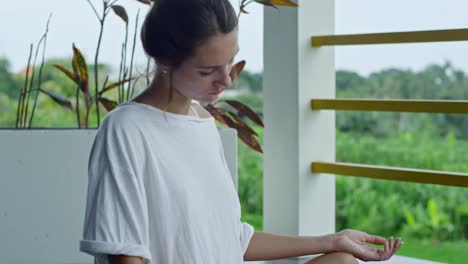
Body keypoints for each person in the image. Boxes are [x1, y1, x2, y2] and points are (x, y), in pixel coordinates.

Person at [79, 0, 402, 263]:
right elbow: (124, 254)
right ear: (164, 61)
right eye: (207, 71)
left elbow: (231, 240)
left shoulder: (203, 123)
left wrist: (331, 240)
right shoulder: (126, 130)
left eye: (230, 61)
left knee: (341, 260)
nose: (227, 80)